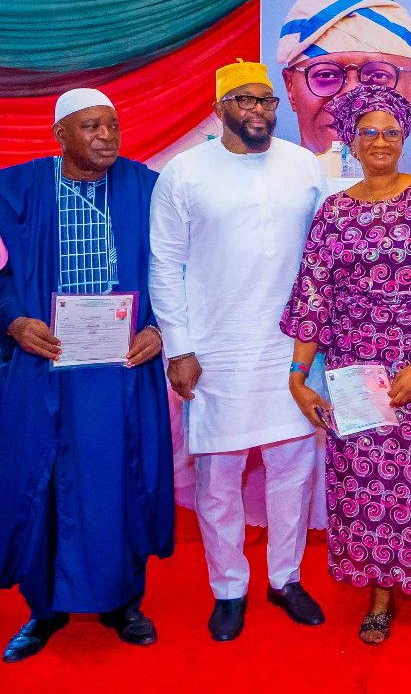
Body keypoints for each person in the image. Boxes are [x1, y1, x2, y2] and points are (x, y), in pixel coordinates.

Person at [280, 84, 411, 644]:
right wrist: (298, 378)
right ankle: (380, 593)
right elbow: (312, 294)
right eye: (369, 133)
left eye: (391, 132)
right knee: (365, 486)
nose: (381, 142)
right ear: (351, 140)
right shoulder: (336, 211)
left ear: (404, 137)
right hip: (353, 372)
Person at [149, 60, 327, 642]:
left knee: (292, 471)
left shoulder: (304, 166)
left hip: (291, 347)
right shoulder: (184, 173)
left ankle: (285, 577)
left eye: (268, 101)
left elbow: (326, 255)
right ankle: (229, 587)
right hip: (216, 348)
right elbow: (164, 266)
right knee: (219, 477)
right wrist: (179, 346)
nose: (260, 111)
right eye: (246, 101)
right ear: (220, 106)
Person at [0, 89, 174, 663]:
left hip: (123, 366)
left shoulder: (148, 188)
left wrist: (163, 328)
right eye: (91, 126)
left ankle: (123, 603)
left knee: (122, 478)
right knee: (43, 481)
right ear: (61, 135)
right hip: (46, 366)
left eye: (112, 124)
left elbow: (181, 267)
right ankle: (43, 610)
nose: (106, 135)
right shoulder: (17, 190)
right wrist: (13, 320)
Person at [277, 0, 411, 173]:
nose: (351, 97)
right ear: (290, 87)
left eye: (378, 76)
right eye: (326, 75)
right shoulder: (275, 194)